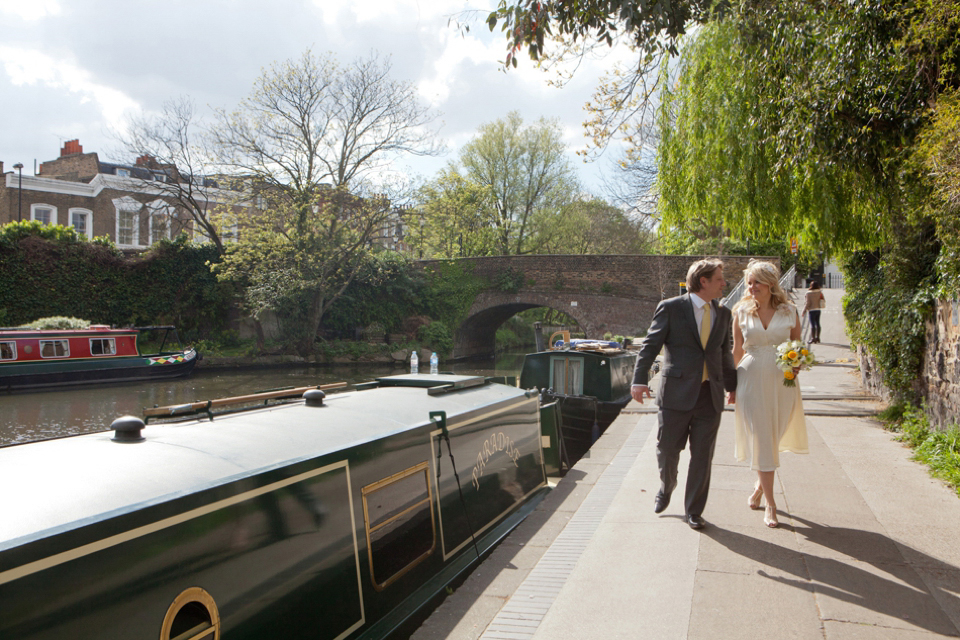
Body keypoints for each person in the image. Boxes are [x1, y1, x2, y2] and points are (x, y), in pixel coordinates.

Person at [631, 259, 738, 530]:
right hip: (676, 395)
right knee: (667, 450)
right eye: (719, 279)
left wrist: (732, 385)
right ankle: (667, 486)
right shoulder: (671, 308)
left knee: (703, 456)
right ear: (703, 281)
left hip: (709, 395)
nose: (724, 283)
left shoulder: (724, 314)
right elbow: (650, 346)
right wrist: (639, 379)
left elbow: (724, 353)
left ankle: (694, 511)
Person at [732, 261, 809, 528]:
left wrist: (797, 362)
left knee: (773, 436)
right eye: (749, 282)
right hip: (750, 380)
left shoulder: (789, 311)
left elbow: (797, 344)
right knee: (763, 439)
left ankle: (758, 489)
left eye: (757, 283)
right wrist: (731, 387)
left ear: (770, 284)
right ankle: (772, 505)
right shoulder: (741, 311)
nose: (752, 287)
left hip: (782, 381)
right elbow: (737, 350)